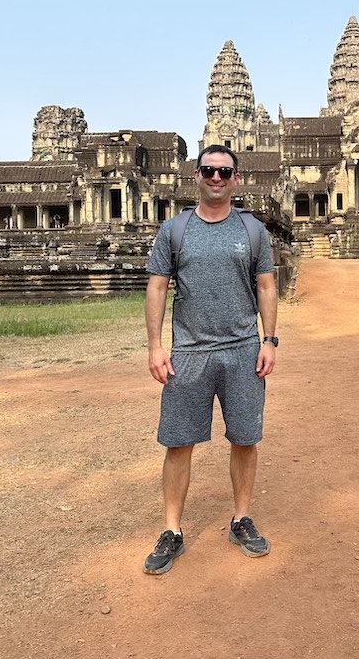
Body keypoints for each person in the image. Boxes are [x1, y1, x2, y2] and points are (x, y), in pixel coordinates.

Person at [143, 144, 279, 575]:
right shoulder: (174, 230)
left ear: (236, 179)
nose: (216, 178)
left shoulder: (253, 230)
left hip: (242, 349)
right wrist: (154, 346)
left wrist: (270, 340)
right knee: (178, 441)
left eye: (224, 172)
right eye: (208, 171)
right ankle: (172, 530)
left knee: (244, 437)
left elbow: (267, 286)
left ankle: (241, 518)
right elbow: (157, 287)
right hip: (189, 352)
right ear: (196, 177)